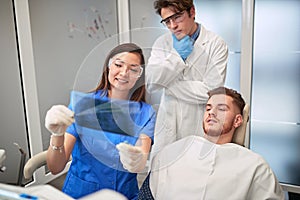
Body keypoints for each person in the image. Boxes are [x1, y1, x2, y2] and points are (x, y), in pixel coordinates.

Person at [45, 43, 156, 199]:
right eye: (118, 64)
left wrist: (136, 160)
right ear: (108, 67)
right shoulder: (83, 105)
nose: (124, 73)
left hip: (123, 194)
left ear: (139, 75)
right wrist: (57, 135)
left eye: (133, 69)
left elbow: (139, 159)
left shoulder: (146, 113)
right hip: (81, 193)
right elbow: (55, 167)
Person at [138, 87, 285, 200]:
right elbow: (146, 196)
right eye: (208, 108)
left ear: (238, 120)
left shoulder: (254, 166)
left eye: (221, 109)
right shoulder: (172, 153)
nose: (211, 112)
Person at [146, 0, 229, 155]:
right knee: (162, 174)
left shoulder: (216, 44)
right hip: (167, 125)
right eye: (167, 21)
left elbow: (211, 92)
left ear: (192, 12)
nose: (172, 26)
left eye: (177, 17)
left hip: (197, 126)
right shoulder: (162, 43)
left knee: (194, 173)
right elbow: (151, 84)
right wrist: (177, 57)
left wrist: (168, 85)